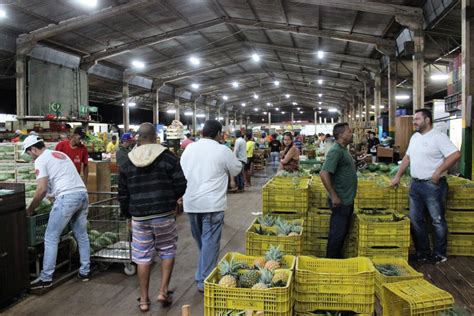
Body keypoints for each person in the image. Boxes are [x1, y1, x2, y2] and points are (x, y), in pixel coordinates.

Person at [118, 122, 187, 312]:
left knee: (142, 257)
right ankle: (163, 292)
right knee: (167, 250)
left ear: (138, 138)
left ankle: (144, 300)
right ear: (155, 138)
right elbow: (181, 183)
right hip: (164, 214)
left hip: (139, 217)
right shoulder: (168, 158)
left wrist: (127, 213)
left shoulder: (127, 161)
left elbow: (122, 193)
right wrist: (171, 201)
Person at [391, 109, 460, 264]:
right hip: (415, 184)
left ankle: (440, 254)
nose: (414, 122)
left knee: (437, 220)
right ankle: (423, 252)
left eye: (417, 119)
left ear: (427, 120)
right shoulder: (415, 137)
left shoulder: (438, 137)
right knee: (416, 220)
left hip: (433, 185)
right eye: (414, 119)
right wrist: (397, 176)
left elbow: (455, 155)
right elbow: (407, 158)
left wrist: (439, 172)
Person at [180, 120, 242, 292]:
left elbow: (182, 171)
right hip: (212, 204)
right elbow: (236, 169)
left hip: (191, 203)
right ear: (218, 134)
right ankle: (203, 280)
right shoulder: (222, 150)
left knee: (203, 241)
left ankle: (201, 273)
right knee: (210, 242)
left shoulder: (189, 149)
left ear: (201, 133)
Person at [23, 135, 90, 289]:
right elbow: (59, 180)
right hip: (82, 194)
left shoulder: (40, 160)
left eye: (29, 153)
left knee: (51, 236)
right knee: (81, 234)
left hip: (68, 198)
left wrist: (30, 209)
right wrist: (53, 196)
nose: (29, 156)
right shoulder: (59, 155)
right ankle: (85, 271)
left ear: (33, 149)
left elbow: (41, 189)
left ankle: (46, 278)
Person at [320, 123, 357, 258]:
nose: (351, 133)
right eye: (349, 131)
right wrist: (334, 195)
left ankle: (336, 258)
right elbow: (324, 173)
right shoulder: (336, 151)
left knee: (341, 232)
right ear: (341, 135)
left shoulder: (343, 149)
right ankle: (331, 261)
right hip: (340, 200)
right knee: (337, 232)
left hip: (346, 199)